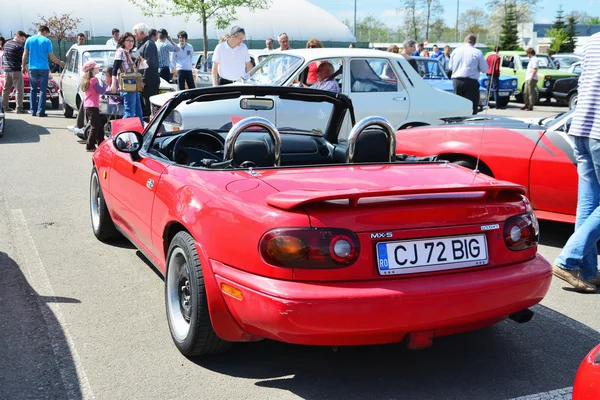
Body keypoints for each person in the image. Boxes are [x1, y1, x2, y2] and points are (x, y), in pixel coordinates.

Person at [552, 32, 600, 293]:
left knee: (589, 205)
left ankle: (589, 271)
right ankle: (567, 260)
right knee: (590, 205)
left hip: (581, 127)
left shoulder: (592, 40)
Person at [21, 25, 66, 117]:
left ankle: (33, 110)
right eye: (47, 34)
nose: (47, 36)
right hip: (44, 68)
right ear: (45, 32)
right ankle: (41, 111)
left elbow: (25, 54)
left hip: (32, 68)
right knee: (42, 90)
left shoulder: (29, 40)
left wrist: (23, 66)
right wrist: (60, 62)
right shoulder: (47, 41)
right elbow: (51, 56)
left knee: (33, 89)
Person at [448, 34, 487, 115]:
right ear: (474, 43)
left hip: (457, 81)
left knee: (457, 107)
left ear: (464, 41)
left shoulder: (455, 51)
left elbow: (450, 67)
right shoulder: (477, 52)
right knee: (471, 107)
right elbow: (485, 69)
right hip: (471, 82)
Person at [110, 32, 143, 122]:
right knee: (130, 113)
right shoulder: (120, 51)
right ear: (123, 41)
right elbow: (115, 68)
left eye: (132, 41)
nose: (130, 43)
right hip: (127, 84)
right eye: (128, 40)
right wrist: (113, 84)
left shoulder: (128, 53)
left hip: (133, 83)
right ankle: (119, 132)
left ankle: (139, 133)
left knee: (138, 113)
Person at [80, 60, 108, 151]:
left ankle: (101, 142)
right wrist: (105, 83)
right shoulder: (94, 80)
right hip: (93, 106)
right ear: (92, 69)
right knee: (95, 126)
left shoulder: (88, 80)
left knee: (99, 125)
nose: (98, 69)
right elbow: (101, 91)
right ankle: (90, 145)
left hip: (88, 105)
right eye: (96, 67)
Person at [134, 23, 159, 118]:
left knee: (148, 108)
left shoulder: (149, 44)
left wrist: (144, 80)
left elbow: (149, 64)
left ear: (142, 33)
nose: (134, 35)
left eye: (136, 33)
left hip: (149, 82)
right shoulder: (142, 44)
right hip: (143, 80)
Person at [1, 31, 27, 113]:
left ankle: (4, 107)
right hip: (16, 70)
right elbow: (22, 59)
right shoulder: (19, 47)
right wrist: (24, 67)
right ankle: (19, 108)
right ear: (18, 36)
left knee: (6, 89)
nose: (23, 41)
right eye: (22, 39)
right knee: (19, 90)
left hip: (6, 70)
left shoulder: (6, 44)